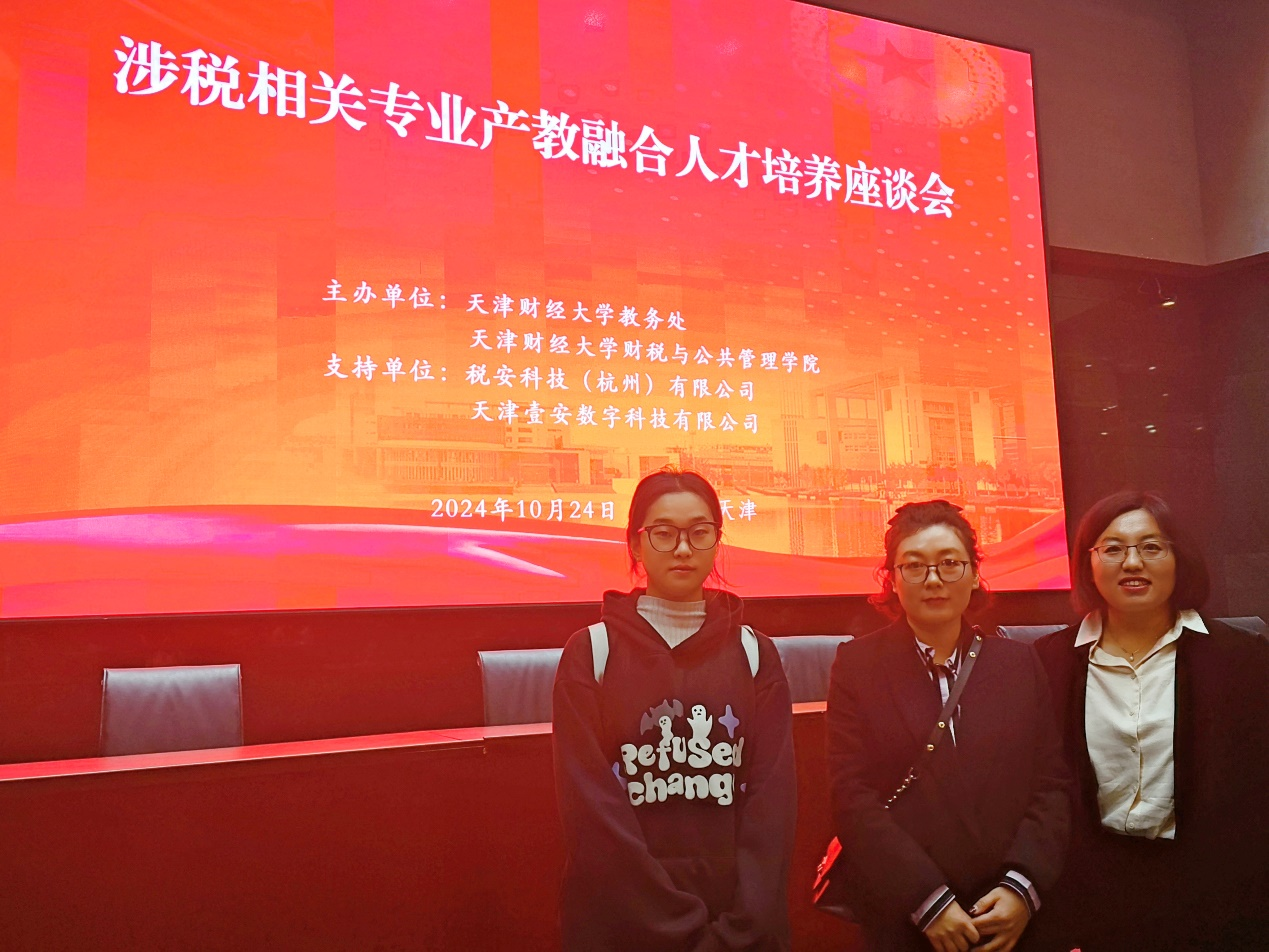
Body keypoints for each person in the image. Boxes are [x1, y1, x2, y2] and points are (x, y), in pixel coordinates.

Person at [552, 469, 797, 951]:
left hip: (737, 931)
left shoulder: (755, 654)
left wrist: (736, 931)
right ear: (635, 544)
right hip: (620, 927)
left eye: (699, 532)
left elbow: (772, 810)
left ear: (716, 541)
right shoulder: (591, 653)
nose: (683, 548)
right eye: (663, 533)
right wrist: (676, 928)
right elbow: (590, 815)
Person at [826, 500, 1069, 952]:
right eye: (914, 566)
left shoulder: (1018, 664)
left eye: (950, 563)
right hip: (909, 916)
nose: (934, 579)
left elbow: (1051, 785)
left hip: (1009, 916)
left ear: (974, 574)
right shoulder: (858, 665)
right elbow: (852, 796)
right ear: (892, 579)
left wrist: (1021, 886)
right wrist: (928, 901)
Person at [1033, 491, 1269, 951]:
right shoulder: (1047, 664)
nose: (1132, 562)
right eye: (1113, 548)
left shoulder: (1242, 660)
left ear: (1179, 559)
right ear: (1087, 563)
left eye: (1151, 547)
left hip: (1213, 892)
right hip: (1090, 896)